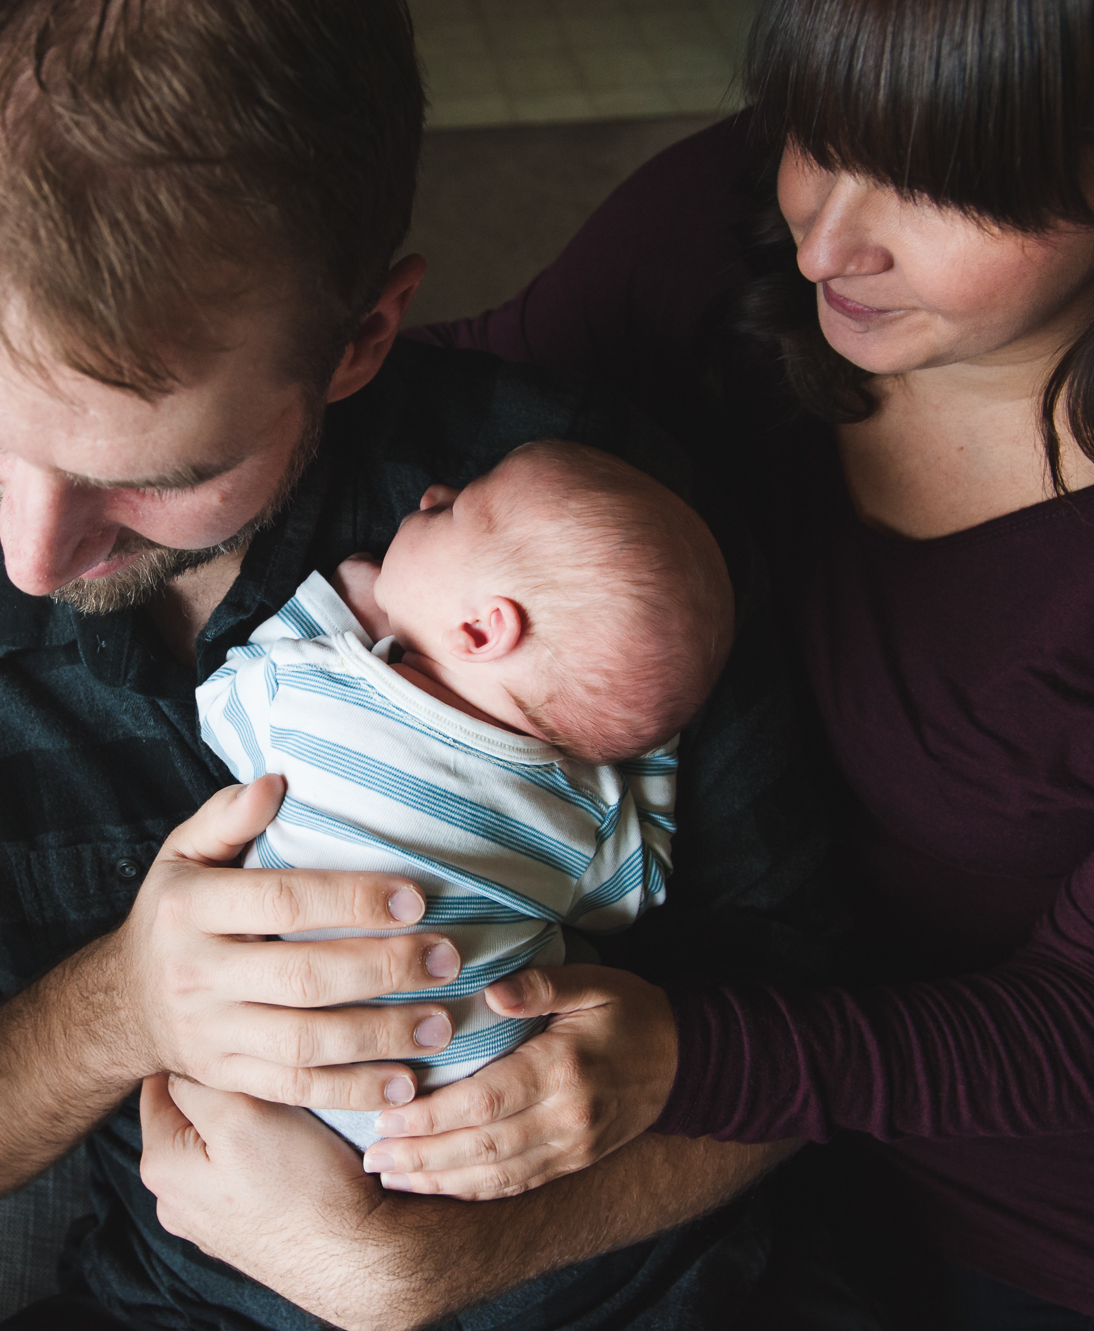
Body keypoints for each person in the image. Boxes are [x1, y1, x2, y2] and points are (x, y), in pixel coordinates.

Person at [174, 0, 1094, 1327]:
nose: (827, 236)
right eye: (817, 132)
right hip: (750, 1126)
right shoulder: (719, 228)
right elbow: (436, 409)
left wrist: (690, 1056)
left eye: (949, 189)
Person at [0, 2, 865, 1329]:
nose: (34, 557)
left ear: (360, 338)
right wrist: (119, 1008)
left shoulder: (585, 526)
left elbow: (827, 1043)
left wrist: (447, 1260)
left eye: (157, 477)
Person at [196, 440, 733, 1150]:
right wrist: (644, 753)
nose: (431, 494)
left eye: (456, 509)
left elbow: (220, 703)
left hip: (289, 1083)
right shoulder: (582, 805)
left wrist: (330, 610)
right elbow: (636, 890)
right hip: (480, 1116)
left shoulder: (310, 687)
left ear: (480, 628)